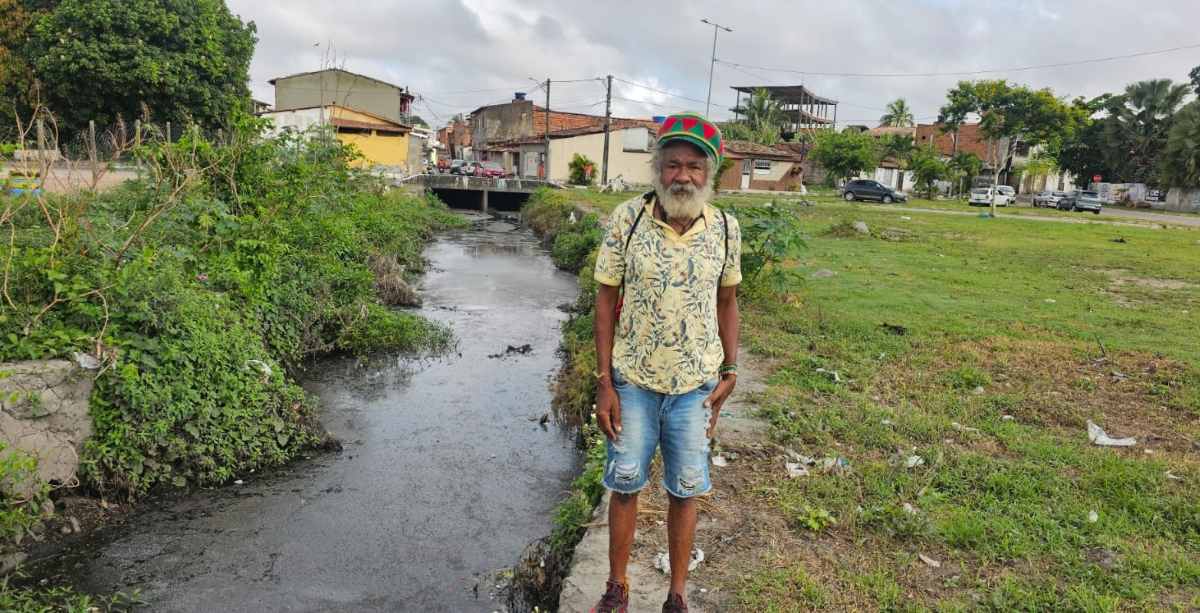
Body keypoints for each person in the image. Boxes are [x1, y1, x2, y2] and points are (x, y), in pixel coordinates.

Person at [590, 112, 741, 613]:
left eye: (694, 167)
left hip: (695, 385)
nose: (683, 175)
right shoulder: (627, 219)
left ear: (709, 174)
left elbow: (728, 301)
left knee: (685, 490)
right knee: (626, 482)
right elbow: (604, 295)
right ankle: (617, 588)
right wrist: (604, 382)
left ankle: (677, 596)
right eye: (673, 164)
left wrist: (730, 370)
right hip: (632, 379)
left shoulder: (725, 228)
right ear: (658, 168)